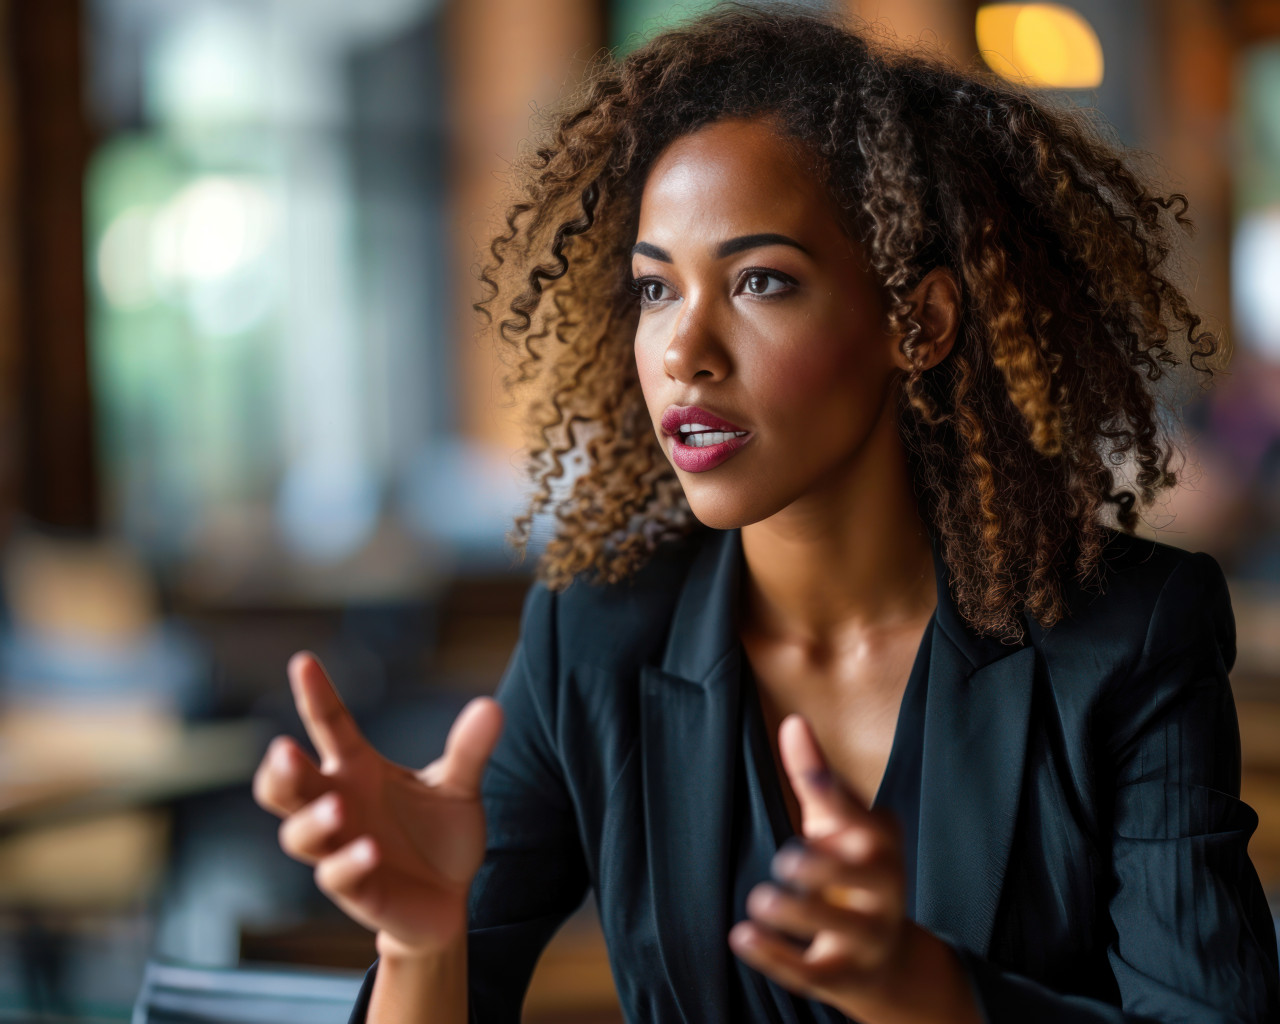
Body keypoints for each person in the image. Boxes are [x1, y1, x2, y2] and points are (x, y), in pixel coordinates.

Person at [251, 5, 1280, 1022]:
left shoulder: (1125, 635)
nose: (683, 350)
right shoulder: (595, 634)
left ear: (913, 322)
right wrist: (422, 939)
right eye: (655, 291)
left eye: (758, 281)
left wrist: (920, 991)